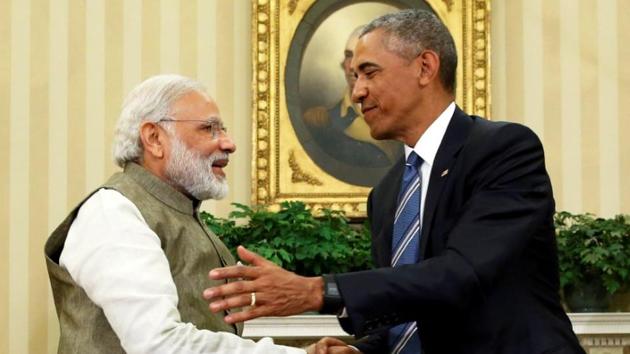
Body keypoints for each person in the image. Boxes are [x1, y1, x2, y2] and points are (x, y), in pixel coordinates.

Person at [203, 9, 585, 354]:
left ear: (425, 67)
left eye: (369, 72)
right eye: (353, 77)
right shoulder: (386, 194)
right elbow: (406, 319)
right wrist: (363, 351)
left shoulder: (503, 150)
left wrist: (317, 290)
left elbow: (462, 275)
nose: (356, 93)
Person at [44, 74, 313, 353]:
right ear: (154, 138)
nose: (229, 144)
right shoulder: (113, 213)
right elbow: (160, 344)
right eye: (210, 128)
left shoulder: (179, 211)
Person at [302, 25, 402, 187]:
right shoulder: (322, 121)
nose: (352, 66)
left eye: (361, 56)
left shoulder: (405, 117)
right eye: (349, 56)